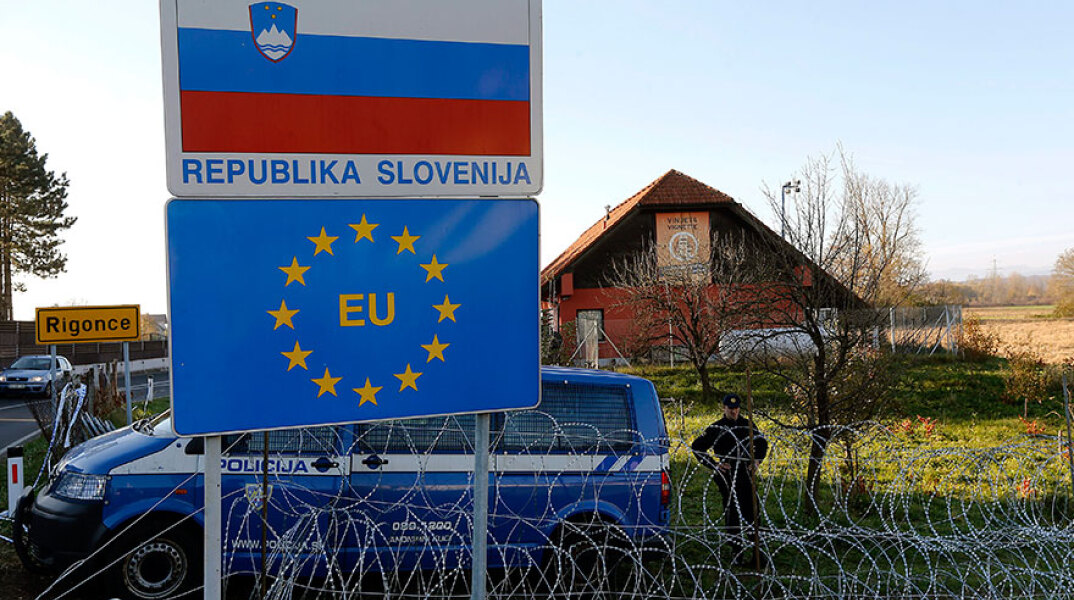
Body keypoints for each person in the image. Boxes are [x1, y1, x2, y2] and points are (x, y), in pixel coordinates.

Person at [691, 393, 768, 566]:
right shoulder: (716, 428)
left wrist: (757, 460)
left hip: (746, 474)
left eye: (736, 408)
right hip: (728, 474)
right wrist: (714, 465)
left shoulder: (747, 424)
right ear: (724, 408)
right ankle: (737, 551)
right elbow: (697, 447)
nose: (734, 412)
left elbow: (762, 443)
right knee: (732, 514)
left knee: (752, 513)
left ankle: (758, 553)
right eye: (730, 409)